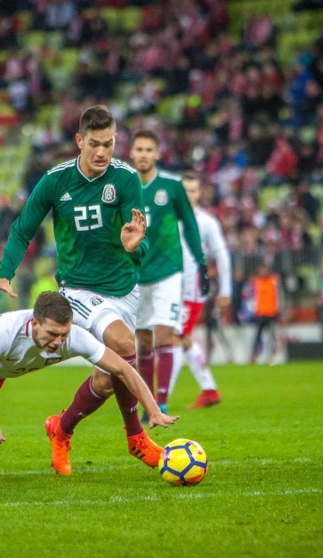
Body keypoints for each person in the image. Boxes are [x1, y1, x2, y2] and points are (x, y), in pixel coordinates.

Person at [0, 104, 160, 476]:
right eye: (94, 143)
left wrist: (133, 245)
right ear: (79, 141)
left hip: (124, 291)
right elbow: (22, 228)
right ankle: (136, 437)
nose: (102, 152)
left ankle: (61, 428)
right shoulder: (56, 180)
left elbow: (141, 245)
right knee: (125, 346)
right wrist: (5, 273)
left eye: (109, 143)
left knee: (109, 379)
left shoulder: (125, 180)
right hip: (78, 289)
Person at [0, 291, 177, 452]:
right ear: (35, 323)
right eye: (51, 334)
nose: (58, 342)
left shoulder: (73, 338)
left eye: (63, 334)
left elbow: (123, 369)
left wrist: (153, 410)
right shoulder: (4, 332)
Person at [129, 131, 207, 414]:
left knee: (164, 337)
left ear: (157, 154)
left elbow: (190, 222)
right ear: (132, 152)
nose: (144, 154)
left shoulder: (172, 186)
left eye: (149, 149)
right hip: (136, 274)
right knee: (144, 342)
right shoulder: (124, 185)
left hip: (168, 273)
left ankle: (161, 402)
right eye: (139, 149)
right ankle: (147, 401)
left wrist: (201, 262)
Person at [169, 171, 231, 408]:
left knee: (176, 338)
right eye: (184, 190)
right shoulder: (168, 218)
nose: (189, 195)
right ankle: (209, 389)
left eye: (193, 190)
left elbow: (222, 255)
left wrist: (226, 291)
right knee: (183, 338)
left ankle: (159, 399)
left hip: (191, 287)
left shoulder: (206, 221)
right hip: (168, 286)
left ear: (199, 193)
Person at [249, 262, 283, 365]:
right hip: (260, 312)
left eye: (264, 269)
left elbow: (279, 296)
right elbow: (253, 297)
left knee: (270, 337)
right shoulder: (257, 282)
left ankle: (270, 357)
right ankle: (253, 357)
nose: (263, 272)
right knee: (257, 337)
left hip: (271, 312)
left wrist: (279, 310)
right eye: (261, 270)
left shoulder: (274, 280)